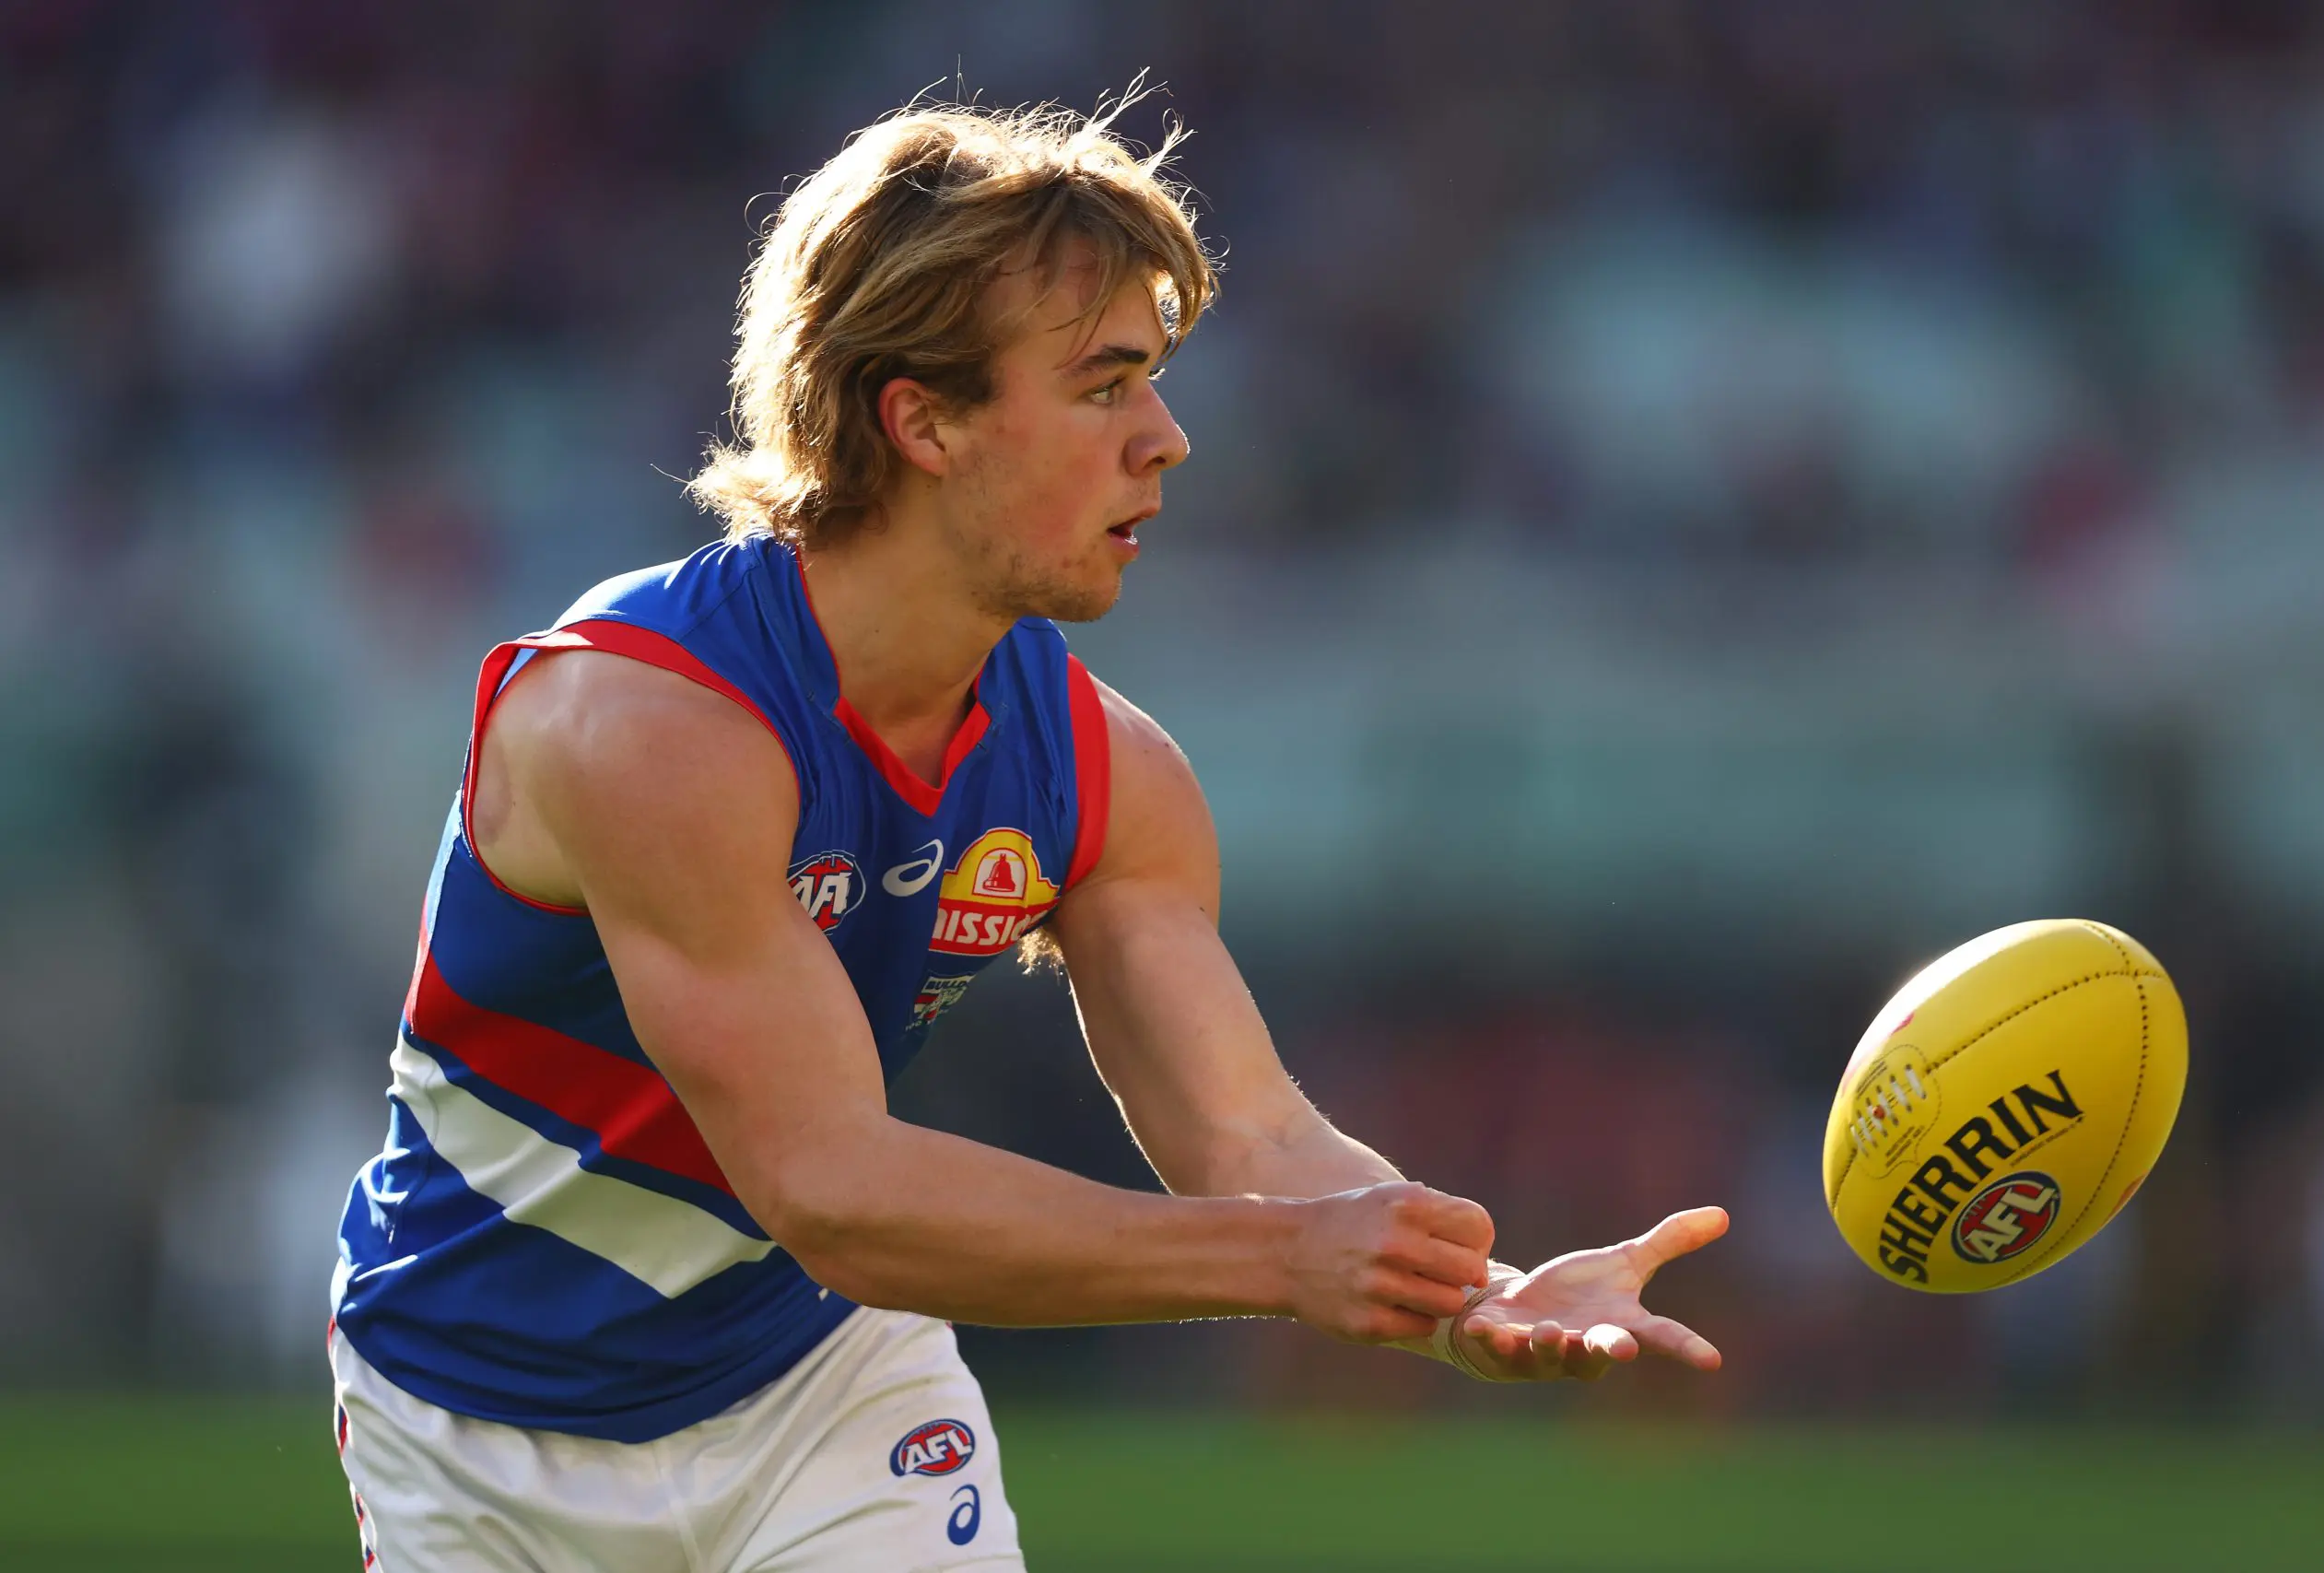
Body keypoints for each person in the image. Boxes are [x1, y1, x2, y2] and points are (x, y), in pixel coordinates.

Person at [328, 90, 1729, 1572]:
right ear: (920, 417)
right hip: (477, 1422)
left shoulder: (1104, 770)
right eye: (1107, 384)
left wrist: (1471, 1296)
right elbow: (833, 1189)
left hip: (816, 1387)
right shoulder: (652, 731)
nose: (1170, 440)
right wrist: (1286, 1266)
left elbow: (1245, 1131)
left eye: (1159, 380)